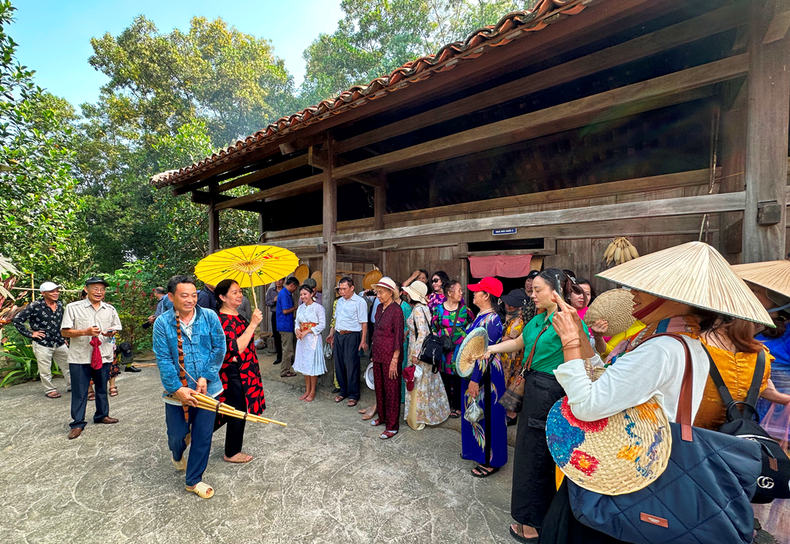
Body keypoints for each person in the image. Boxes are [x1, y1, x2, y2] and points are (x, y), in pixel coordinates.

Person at [537, 241, 770, 544]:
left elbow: (588, 405)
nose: (631, 296)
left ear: (670, 296)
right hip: (643, 465)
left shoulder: (661, 348)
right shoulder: (687, 344)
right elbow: (611, 382)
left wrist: (569, 343)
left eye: (641, 289)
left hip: (622, 475)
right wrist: (581, 336)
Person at [485, 269, 587, 541]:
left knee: (537, 458)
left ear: (556, 291)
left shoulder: (566, 321)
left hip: (551, 390)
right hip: (534, 388)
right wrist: (492, 348)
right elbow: (520, 342)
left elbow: (582, 357)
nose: (532, 295)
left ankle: (532, 523)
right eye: (532, 290)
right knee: (528, 453)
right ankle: (531, 515)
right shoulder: (539, 320)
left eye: (538, 290)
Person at [152, 275, 226, 499]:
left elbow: (219, 348)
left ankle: (193, 480)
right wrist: (177, 388)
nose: (190, 300)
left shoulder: (210, 316)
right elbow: (163, 359)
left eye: (194, 295)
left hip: (208, 390)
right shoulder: (162, 323)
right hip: (177, 393)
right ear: (171, 296)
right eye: (184, 295)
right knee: (177, 435)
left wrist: (206, 376)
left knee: (203, 435)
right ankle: (177, 453)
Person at [61, 277, 122, 440]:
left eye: (102, 289)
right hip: (80, 356)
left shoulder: (109, 309)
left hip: (103, 354)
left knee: (102, 387)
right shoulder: (73, 308)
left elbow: (116, 327)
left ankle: (102, 415)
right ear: (86, 289)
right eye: (95, 288)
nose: (99, 292)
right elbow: (65, 332)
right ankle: (77, 423)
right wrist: (85, 332)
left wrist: (111, 332)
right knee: (80, 391)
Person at [215, 279, 265, 463]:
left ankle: (193, 433)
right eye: (234, 292)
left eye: (240, 291)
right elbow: (235, 349)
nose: (239, 295)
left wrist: (252, 323)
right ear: (222, 297)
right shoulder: (221, 320)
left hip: (246, 369)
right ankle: (232, 452)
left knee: (228, 409)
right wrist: (253, 325)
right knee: (237, 410)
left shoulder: (238, 316)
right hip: (234, 372)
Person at [461, 276, 505, 477]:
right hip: (476, 373)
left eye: (477, 291)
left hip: (485, 375)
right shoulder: (481, 316)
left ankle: (490, 460)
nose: (473, 294)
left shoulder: (492, 320)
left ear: (486, 295)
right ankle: (476, 451)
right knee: (475, 413)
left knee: (487, 415)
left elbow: (485, 354)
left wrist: (475, 380)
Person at [403, 280, 450, 430]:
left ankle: (417, 419)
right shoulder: (424, 308)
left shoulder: (418, 309)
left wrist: (416, 354)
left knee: (418, 383)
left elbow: (422, 333)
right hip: (425, 351)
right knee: (425, 383)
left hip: (419, 351)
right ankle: (426, 414)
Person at [12, 281, 71, 398]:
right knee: (45, 369)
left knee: (69, 365)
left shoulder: (59, 305)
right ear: (43, 293)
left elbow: (62, 323)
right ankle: (50, 390)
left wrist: (65, 337)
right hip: (42, 343)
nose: (56, 293)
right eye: (52, 291)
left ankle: (72, 385)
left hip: (59, 341)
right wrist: (30, 334)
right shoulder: (35, 306)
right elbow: (17, 320)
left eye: (57, 291)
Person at [369, 277, 405, 439]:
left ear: (391, 293)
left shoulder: (397, 311)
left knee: (392, 391)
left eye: (381, 292)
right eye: (377, 292)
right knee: (380, 387)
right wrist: (372, 353)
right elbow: (376, 332)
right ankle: (382, 417)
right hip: (378, 354)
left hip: (391, 356)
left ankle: (392, 425)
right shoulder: (378, 309)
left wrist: (395, 360)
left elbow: (398, 337)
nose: (378, 295)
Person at [433, 279, 473, 419]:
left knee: (458, 377)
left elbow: (471, 326)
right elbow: (434, 326)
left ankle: (457, 406)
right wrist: (443, 336)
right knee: (444, 376)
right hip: (444, 349)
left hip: (459, 350)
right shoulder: (438, 309)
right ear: (450, 293)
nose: (462, 293)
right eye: (459, 290)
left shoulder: (464, 310)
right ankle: (446, 405)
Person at [327, 277, 368, 407]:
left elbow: (364, 323)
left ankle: (353, 394)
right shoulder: (339, 302)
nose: (342, 291)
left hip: (352, 336)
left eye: (344, 289)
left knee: (351, 366)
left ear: (352, 288)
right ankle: (343, 391)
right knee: (339, 365)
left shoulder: (359, 302)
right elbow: (336, 320)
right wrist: (332, 334)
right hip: (339, 335)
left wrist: (363, 340)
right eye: (340, 289)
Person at [499, 289, 529, 425]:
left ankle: (511, 414)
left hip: (514, 357)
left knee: (511, 383)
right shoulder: (511, 318)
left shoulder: (518, 320)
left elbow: (507, 338)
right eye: (508, 303)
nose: (508, 305)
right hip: (508, 355)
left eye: (512, 304)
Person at [294, 284, 326, 402]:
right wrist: (297, 330)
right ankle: (307, 389)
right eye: (301, 294)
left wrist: (307, 331)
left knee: (312, 365)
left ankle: (312, 391)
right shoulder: (300, 308)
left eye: (305, 294)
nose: (303, 296)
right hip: (302, 340)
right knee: (304, 364)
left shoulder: (318, 308)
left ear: (312, 294)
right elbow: (297, 322)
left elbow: (322, 325)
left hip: (313, 339)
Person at [276, 277, 299, 378]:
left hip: (286, 324)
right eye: (295, 288)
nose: (295, 290)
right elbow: (285, 311)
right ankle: (284, 371)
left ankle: (287, 369)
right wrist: (295, 308)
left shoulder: (285, 293)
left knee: (288, 348)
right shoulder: (284, 294)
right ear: (292, 285)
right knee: (287, 349)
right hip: (285, 325)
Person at [266, 279, 284, 365]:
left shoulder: (285, 290)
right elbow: (267, 302)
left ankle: (286, 357)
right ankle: (279, 356)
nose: (279, 282)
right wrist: (274, 300)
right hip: (275, 314)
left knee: (284, 335)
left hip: (284, 314)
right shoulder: (271, 291)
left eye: (281, 280)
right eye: (277, 280)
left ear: (283, 281)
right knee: (276, 335)